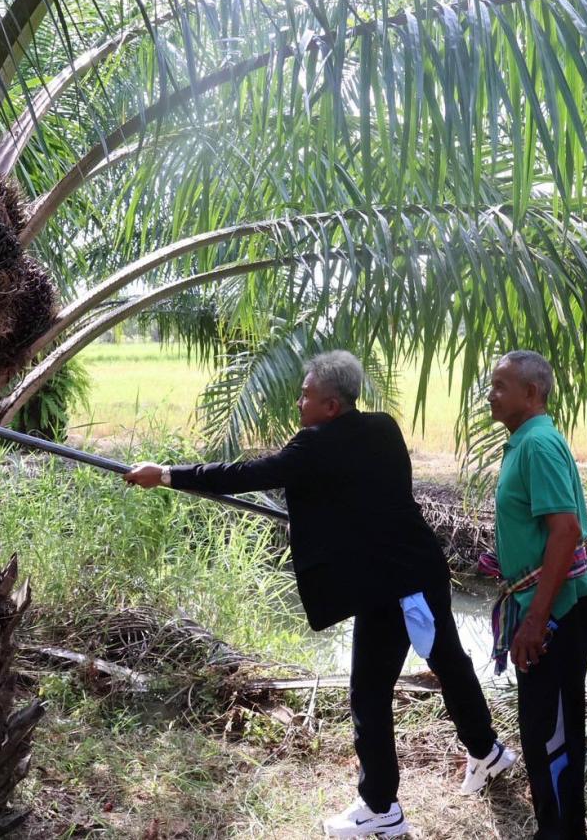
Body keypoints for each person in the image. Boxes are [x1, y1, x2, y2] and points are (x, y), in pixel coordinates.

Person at [123, 350, 514, 838]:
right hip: (418, 566)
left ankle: (381, 809)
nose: (298, 402)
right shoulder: (383, 428)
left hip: (392, 585)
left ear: (331, 405)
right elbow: (355, 490)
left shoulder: (315, 445)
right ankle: (486, 751)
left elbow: (249, 474)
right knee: (450, 663)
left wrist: (164, 474)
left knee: (369, 690)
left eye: (306, 395)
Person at [484, 350, 587, 840]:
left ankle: (560, 831)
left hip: (558, 605)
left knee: (548, 729)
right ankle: (558, 826)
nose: (490, 395)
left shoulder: (538, 445)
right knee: (543, 724)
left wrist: (536, 620)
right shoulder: (525, 441)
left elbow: (566, 529)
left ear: (531, 394)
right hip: (543, 602)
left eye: (500, 386)